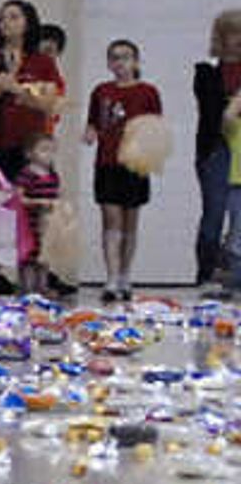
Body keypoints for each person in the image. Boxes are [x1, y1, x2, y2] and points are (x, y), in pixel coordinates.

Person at [0, 0, 67, 295]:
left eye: (13, 17)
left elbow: (50, 104)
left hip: (31, 147)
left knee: (35, 212)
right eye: (2, 18)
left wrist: (18, 90)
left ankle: (35, 274)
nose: (6, 22)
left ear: (28, 23)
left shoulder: (42, 63)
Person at [86, 39, 161, 303]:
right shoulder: (101, 91)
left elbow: (155, 127)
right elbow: (93, 122)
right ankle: (111, 278)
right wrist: (90, 132)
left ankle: (126, 276)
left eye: (126, 57)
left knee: (130, 221)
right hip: (107, 164)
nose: (120, 63)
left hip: (135, 165)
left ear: (136, 62)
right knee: (111, 219)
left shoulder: (148, 91)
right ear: (108, 63)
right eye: (115, 58)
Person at [194, 9, 241, 296]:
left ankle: (235, 273)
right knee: (214, 213)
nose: (238, 40)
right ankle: (207, 270)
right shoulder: (207, 69)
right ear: (221, 36)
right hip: (216, 148)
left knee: (239, 215)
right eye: (233, 33)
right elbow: (212, 111)